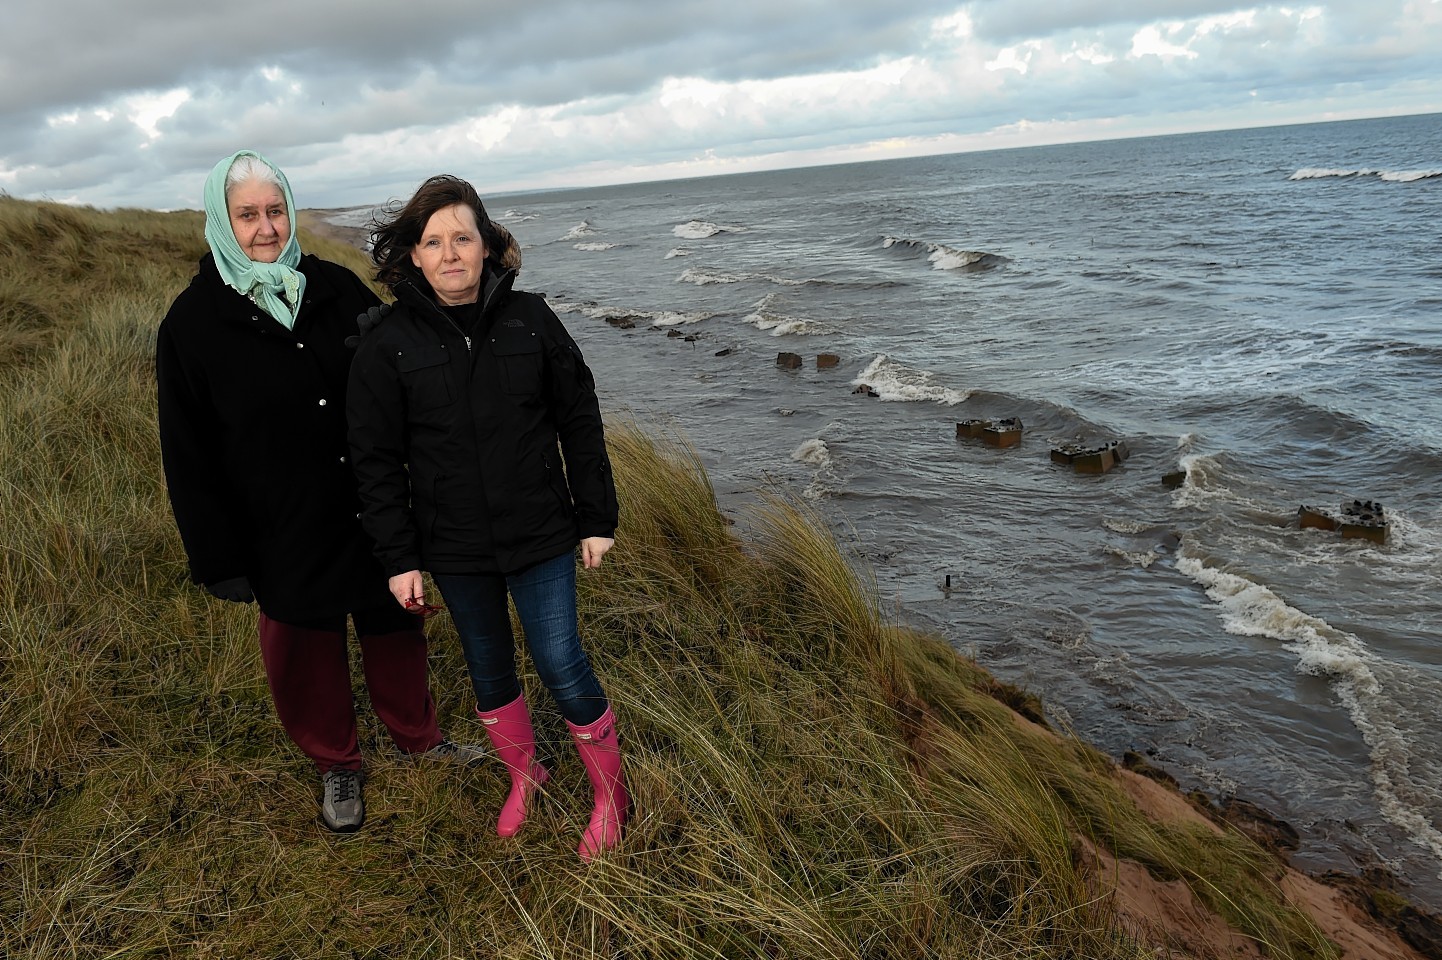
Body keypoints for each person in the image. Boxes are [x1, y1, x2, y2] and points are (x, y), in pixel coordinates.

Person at [156, 150, 482, 835]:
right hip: (276, 521)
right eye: (247, 215)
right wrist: (219, 559)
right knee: (304, 646)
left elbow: (405, 371)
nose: (266, 228)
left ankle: (418, 736)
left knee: (395, 623)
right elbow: (188, 455)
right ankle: (336, 762)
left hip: (371, 505)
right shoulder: (191, 325)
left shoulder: (336, 288)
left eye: (275, 211)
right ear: (222, 220)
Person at [346, 174, 629, 861]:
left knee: (562, 664)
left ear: (486, 246)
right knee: (488, 670)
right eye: (433, 241)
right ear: (413, 254)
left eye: (462, 238)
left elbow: (579, 418)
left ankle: (609, 797)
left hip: (541, 535)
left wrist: (597, 518)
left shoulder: (531, 319)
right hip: (455, 548)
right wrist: (400, 559)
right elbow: (375, 461)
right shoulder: (387, 345)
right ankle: (526, 775)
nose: (450, 254)